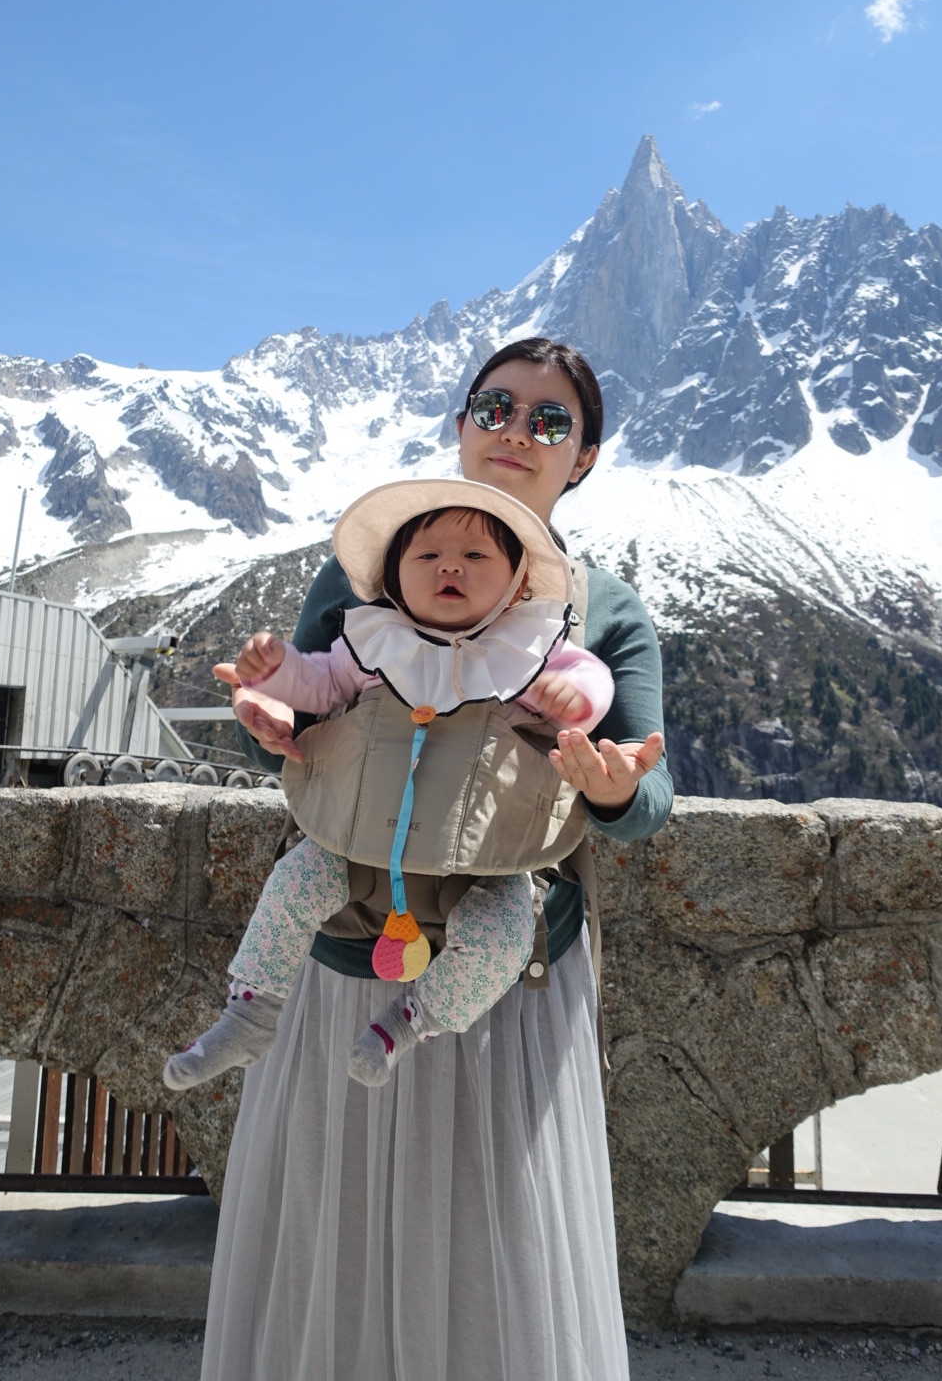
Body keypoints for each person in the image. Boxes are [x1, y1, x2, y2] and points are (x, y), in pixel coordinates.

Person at [199, 337, 672, 1381]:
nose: (516, 431)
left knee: (493, 1237)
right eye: (494, 406)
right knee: (336, 1223)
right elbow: (304, 715)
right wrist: (265, 714)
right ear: (461, 424)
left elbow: (647, 798)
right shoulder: (359, 575)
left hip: (514, 977)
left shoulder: (608, 612)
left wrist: (614, 787)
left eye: (550, 420)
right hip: (338, 959)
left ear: (584, 456)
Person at [162, 481, 612, 1092]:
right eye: (427, 556)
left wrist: (576, 701)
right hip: (354, 844)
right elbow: (319, 684)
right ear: (395, 577)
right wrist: (280, 671)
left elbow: (590, 681)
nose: (450, 565)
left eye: (476, 557)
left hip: (483, 863)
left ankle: (412, 1019)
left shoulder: (528, 652)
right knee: (291, 884)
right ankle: (248, 1012)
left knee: (504, 935)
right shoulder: (374, 643)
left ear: (516, 585)